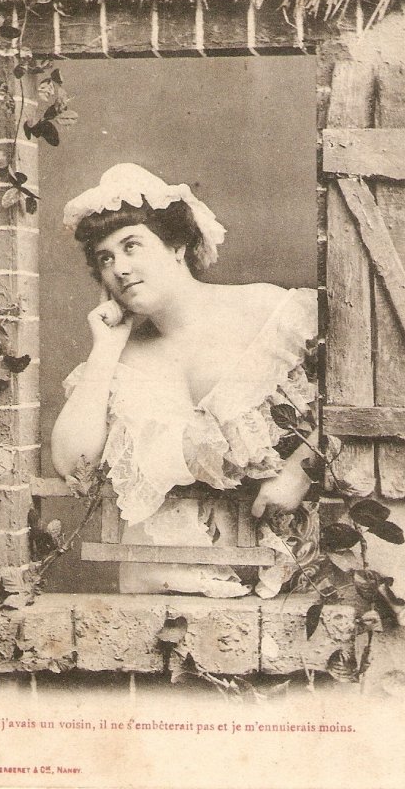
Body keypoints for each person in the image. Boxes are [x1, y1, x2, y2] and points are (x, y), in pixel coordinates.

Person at [51, 163, 318, 598]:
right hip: (162, 587)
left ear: (177, 245)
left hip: (285, 580)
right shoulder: (121, 357)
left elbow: (351, 401)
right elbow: (70, 464)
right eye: (105, 258)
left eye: (131, 246)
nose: (120, 268)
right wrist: (106, 349)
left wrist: (302, 470)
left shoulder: (270, 311)